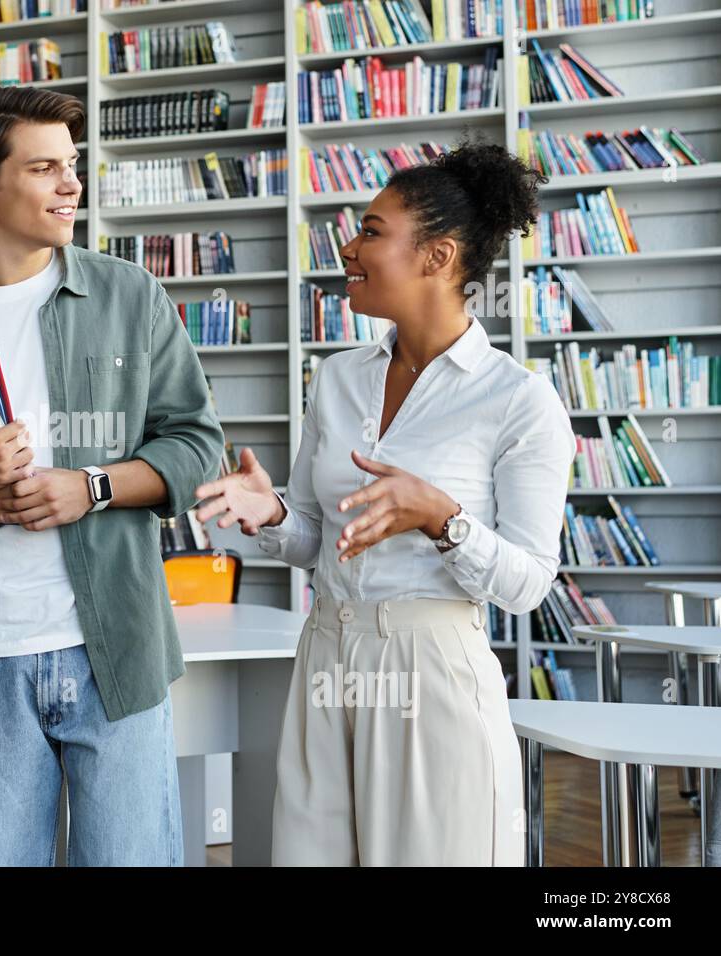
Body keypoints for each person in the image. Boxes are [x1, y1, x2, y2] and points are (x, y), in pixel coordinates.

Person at [0, 86, 224, 866]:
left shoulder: (130, 296)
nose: (71, 186)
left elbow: (196, 449)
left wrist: (87, 487)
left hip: (114, 648)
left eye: (74, 167)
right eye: (46, 168)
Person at [195, 139, 576, 865]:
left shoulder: (518, 402)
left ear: (437, 258)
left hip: (432, 675)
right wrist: (273, 514)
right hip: (327, 657)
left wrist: (440, 516)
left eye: (371, 231)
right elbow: (316, 536)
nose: (348, 246)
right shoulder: (338, 378)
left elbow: (529, 584)